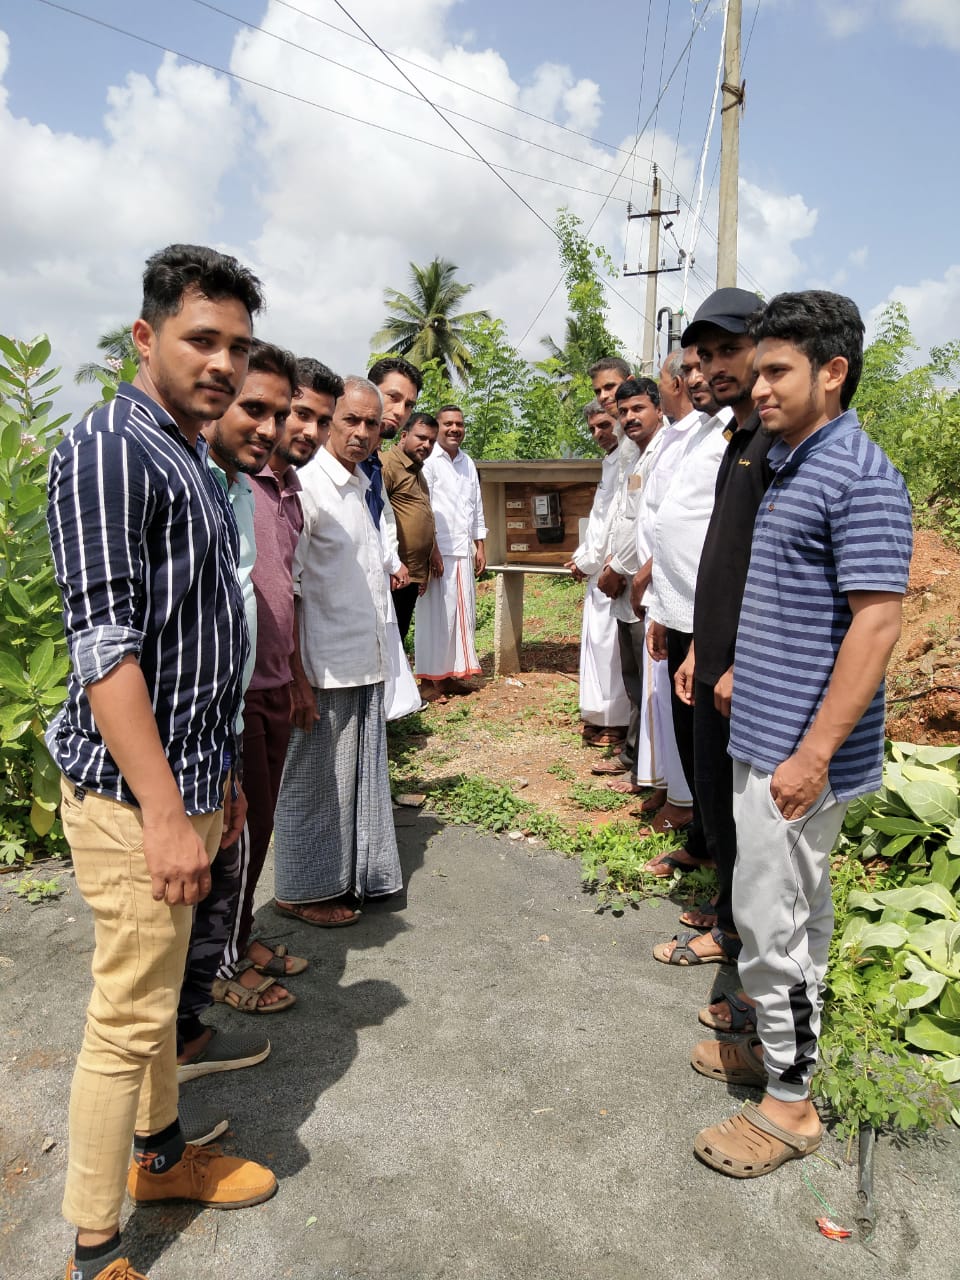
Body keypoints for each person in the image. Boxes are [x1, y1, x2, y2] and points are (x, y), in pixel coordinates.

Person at [46, 244, 276, 1280]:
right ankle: (95, 1249)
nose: (224, 363)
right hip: (132, 793)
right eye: (202, 339)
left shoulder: (182, 448)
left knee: (154, 993)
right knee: (129, 1011)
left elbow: (196, 631)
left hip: (187, 777)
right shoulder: (111, 448)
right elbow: (107, 647)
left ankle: (162, 1155)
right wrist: (162, 809)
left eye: (237, 344)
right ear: (146, 337)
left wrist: (213, 774)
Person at [692, 291, 912, 1178]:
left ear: (833, 373)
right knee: (791, 914)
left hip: (800, 755)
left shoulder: (859, 473)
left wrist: (814, 754)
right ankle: (781, 1055)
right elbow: (802, 602)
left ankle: (790, 1105)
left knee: (770, 920)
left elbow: (876, 626)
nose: (757, 381)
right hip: (769, 729)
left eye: (778, 369)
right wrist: (750, 669)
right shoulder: (786, 459)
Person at [176, 341, 300, 1060]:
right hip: (180, 745)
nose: (270, 427)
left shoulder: (230, 492)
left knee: (227, 868)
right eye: (255, 407)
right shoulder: (181, 478)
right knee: (162, 934)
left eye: (275, 414)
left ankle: (188, 1028)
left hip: (220, 729)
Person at [213, 356, 344, 1012]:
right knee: (237, 831)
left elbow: (283, 595)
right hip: (233, 692)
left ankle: (240, 935)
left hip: (270, 683)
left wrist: (294, 678)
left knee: (258, 825)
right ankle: (225, 964)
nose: (308, 429)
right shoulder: (239, 485)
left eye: (322, 418)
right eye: (302, 414)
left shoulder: (288, 495)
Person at [664, 291, 772, 977]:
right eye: (704, 355)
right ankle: (728, 908)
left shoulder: (772, 441)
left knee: (738, 809)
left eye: (728, 350)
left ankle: (737, 935)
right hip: (713, 653)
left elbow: (768, 569)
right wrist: (703, 645)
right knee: (713, 794)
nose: (714, 366)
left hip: (744, 668)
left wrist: (738, 659)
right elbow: (723, 558)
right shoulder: (735, 436)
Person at [272, 376, 402, 927]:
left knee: (353, 782)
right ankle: (300, 890)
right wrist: (296, 677)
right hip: (323, 667)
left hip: (361, 661)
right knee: (314, 784)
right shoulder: (308, 488)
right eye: (350, 421)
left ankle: (348, 877)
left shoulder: (357, 486)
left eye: (371, 424)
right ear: (329, 424)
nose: (362, 433)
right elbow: (291, 587)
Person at [595, 378, 665, 796]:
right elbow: (620, 519)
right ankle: (634, 757)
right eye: (623, 412)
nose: (629, 418)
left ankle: (647, 769)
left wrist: (620, 567)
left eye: (637, 408)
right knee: (635, 680)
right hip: (623, 584)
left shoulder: (662, 455)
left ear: (658, 407)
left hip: (646, 585)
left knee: (650, 683)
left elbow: (652, 526)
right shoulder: (632, 456)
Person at [565, 400, 631, 749]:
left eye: (604, 425)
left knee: (612, 650)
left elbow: (618, 523)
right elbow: (598, 521)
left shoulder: (630, 460)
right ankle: (596, 715)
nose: (599, 434)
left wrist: (591, 561)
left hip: (615, 569)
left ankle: (617, 723)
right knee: (596, 645)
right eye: (592, 428)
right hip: (596, 567)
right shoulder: (610, 463)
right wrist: (583, 558)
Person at [415, 404, 487, 697]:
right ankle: (429, 681)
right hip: (437, 551)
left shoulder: (467, 462)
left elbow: (476, 505)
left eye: (459, 423)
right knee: (435, 616)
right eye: (448, 424)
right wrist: (430, 548)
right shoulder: (429, 461)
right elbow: (423, 508)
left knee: (460, 614)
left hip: (462, 550)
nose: (455, 429)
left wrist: (479, 544)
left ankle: (448, 676)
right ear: (438, 427)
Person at [382, 410, 439, 641]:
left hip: (411, 575)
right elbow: (375, 519)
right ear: (404, 435)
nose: (426, 445)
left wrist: (421, 571)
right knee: (388, 639)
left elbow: (422, 518)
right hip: (394, 574)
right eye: (421, 438)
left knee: (399, 636)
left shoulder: (417, 471)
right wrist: (391, 565)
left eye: (432, 441)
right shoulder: (388, 466)